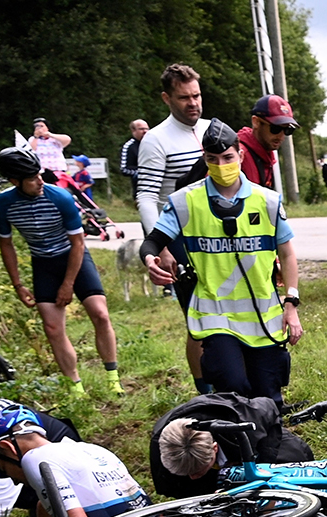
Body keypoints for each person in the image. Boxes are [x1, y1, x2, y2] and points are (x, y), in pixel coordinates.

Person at [140, 119, 304, 405]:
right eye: (212, 159)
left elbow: (288, 254)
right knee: (233, 389)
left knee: (268, 398)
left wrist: (291, 304)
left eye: (227, 157)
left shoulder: (267, 201)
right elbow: (153, 240)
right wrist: (150, 259)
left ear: (240, 155)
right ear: (204, 159)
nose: (221, 165)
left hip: (264, 317)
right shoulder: (185, 200)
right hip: (215, 316)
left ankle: (268, 447)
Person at [0, 147, 122, 397]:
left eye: (39, 174)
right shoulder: (2, 205)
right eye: (32, 178)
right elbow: (5, 244)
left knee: (100, 314)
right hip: (43, 263)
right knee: (52, 328)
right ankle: (76, 388)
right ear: (14, 182)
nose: (40, 181)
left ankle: (113, 377)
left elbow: (78, 243)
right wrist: (18, 284)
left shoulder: (59, 197)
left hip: (74, 257)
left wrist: (68, 284)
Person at [136, 64, 210, 390]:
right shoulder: (155, 140)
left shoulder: (212, 129)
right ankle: (206, 392)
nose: (192, 103)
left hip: (220, 235)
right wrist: (161, 246)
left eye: (196, 95)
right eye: (183, 98)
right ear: (167, 98)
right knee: (199, 319)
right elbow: (147, 198)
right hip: (180, 237)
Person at [0, 406, 148, 517]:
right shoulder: (90, 448)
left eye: (4, 470)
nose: (15, 482)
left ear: (7, 447)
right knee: (43, 507)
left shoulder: (35, 459)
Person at [149, 392, 311, 499]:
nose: (192, 477)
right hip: (215, 460)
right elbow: (174, 491)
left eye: (197, 471)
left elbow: (268, 406)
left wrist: (261, 464)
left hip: (257, 439)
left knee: (296, 463)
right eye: (187, 474)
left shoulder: (241, 418)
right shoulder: (162, 448)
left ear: (215, 448)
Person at [238, 95, 298, 193]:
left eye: (288, 130)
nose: (281, 136)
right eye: (276, 128)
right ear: (256, 122)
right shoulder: (239, 156)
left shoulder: (266, 155)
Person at [120, 119, 148, 186]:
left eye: (147, 129)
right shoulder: (129, 146)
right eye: (141, 129)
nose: (145, 131)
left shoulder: (154, 144)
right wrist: (146, 172)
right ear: (133, 130)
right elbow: (124, 169)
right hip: (140, 187)